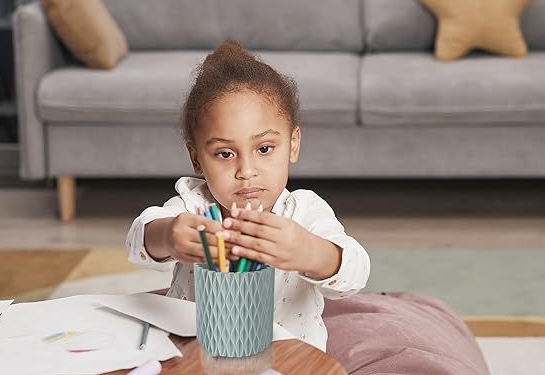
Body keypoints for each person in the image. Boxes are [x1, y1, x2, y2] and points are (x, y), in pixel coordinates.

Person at [125, 39, 370, 351]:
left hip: (290, 364)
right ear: (197, 158)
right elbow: (137, 242)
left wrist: (311, 252)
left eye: (264, 149)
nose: (246, 170)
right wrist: (168, 236)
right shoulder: (194, 207)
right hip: (195, 359)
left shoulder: (303, 211)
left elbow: (356, 272)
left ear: (293, 144)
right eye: (225, 154)